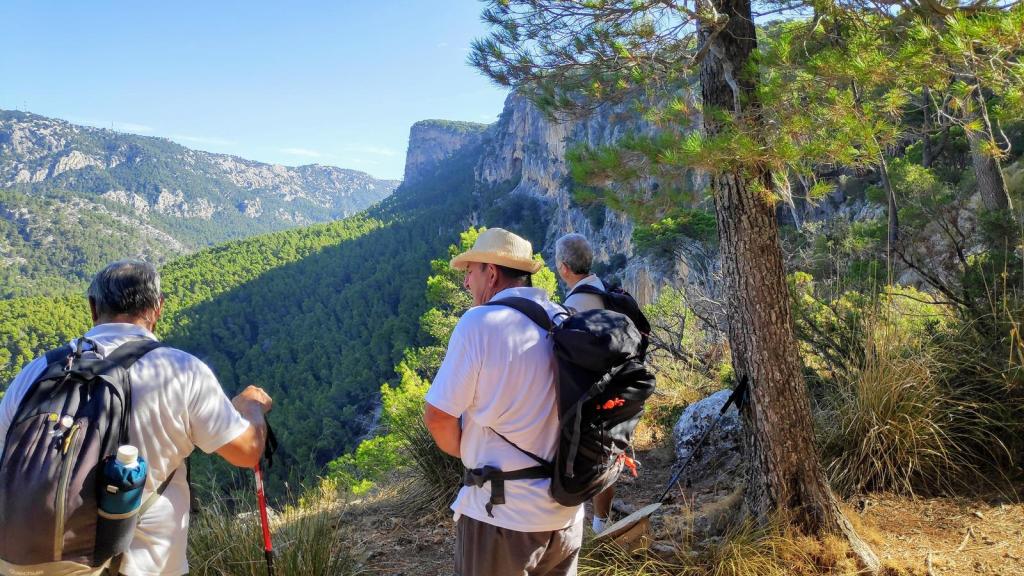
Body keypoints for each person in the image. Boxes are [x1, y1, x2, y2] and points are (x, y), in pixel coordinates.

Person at [0, 260, 273, 576]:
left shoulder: (34, 374)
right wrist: (251, 408)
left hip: (25, 564)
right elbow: (247, 452)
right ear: (158, 308)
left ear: (92, 307)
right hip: (143, 567)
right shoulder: (182, 372)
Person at [423, 228, 584, 576]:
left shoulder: (479, 323)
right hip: (567, 513)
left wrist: (466, 452)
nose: (466, 281)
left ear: (491, 272)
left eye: (470, 271)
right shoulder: (563, 318)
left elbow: (437, 417)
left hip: (503, 517)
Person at [555, 233, 614, 534]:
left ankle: (593, 527)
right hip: (616, 383)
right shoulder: (606, 289)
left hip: (591, 390)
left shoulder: (576, 303)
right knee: (607, 454)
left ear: (564, 267)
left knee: (588, 458)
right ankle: (602, 521)